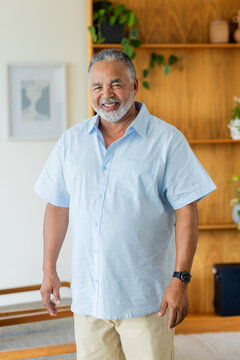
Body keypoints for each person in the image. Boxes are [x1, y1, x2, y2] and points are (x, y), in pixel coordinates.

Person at [35, 49, 216, 360]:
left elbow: (187, 212)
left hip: (146, 301)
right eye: (97, 86)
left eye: (116, 84)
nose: (106, 94)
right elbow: (57, 206)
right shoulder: (71, 142)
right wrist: (48, 268)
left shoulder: (167, 141)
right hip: (89, 301)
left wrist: (180, 281)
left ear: (135, 86)